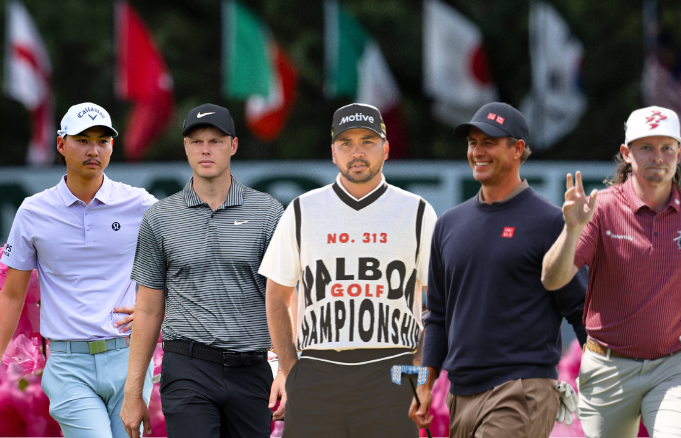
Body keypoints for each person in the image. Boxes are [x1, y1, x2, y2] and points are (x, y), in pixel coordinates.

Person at [541, 106, 681, 438]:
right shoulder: (600, 208)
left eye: (667, 147)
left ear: (679, 153)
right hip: (607, 367)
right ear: (626, 153)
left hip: (675, 365)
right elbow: (552, 279)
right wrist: (571, 230)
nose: (657, 157)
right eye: (646, 147)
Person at [410, 102, 589, 438]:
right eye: (472, 143)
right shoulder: (448, 225)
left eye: (489, 142)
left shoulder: (550, 222)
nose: (477, 152)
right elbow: (437, 316)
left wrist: (604, 380)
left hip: (521, 391)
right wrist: (424, 384)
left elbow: (581, 310)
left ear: (517, 149)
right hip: (460, 396)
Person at [259, 103, 437, 438]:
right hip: (318, 366)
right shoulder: (302, 210)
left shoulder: (416, 211)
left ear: (386, 149)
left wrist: (418, 369)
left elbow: (441, 303)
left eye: (367, 142)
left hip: (392, 365)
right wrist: (290, 370)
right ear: (333, 152)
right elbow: (276, 297)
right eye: (346, 143)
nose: (357, 152)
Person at [120, 104, 285, 438]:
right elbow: (148, 309)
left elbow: (284, 300)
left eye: (215, 141)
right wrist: (133, 391)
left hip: (252, 370)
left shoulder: (267, 212)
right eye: (196, 141)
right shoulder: (160, 218)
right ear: (185, 146)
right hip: (187, 368)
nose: (205, 149)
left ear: (233, 145)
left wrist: (285, 369)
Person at [0, 102, 156, 438]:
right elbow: (12, 295)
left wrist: (162, 308)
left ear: (112, 146)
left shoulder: (140, 204)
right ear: (61, 144)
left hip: (129, 359)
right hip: (68, 365)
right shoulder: (33, 211)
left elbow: (184, 262)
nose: (93, 150)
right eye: (82, 140)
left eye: (103, 141)